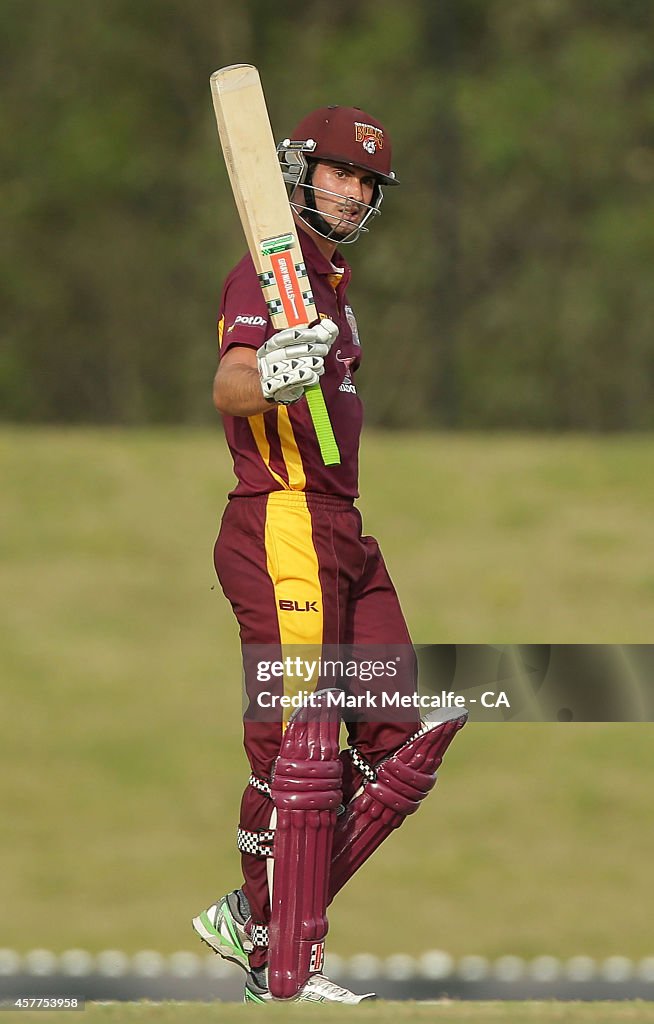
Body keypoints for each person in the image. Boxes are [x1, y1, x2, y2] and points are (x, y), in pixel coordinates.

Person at [192, 104, 467, 1004]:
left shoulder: (331, 288)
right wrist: (279, 364)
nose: (353, 193)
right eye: (341, 174)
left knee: (403, 741)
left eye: (367, 184)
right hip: (281, 518)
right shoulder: (266, 275)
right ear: (298, 171)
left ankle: (254, 914)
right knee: (300, 745)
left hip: (341, 525)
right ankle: (287, 964)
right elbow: (231, 383)